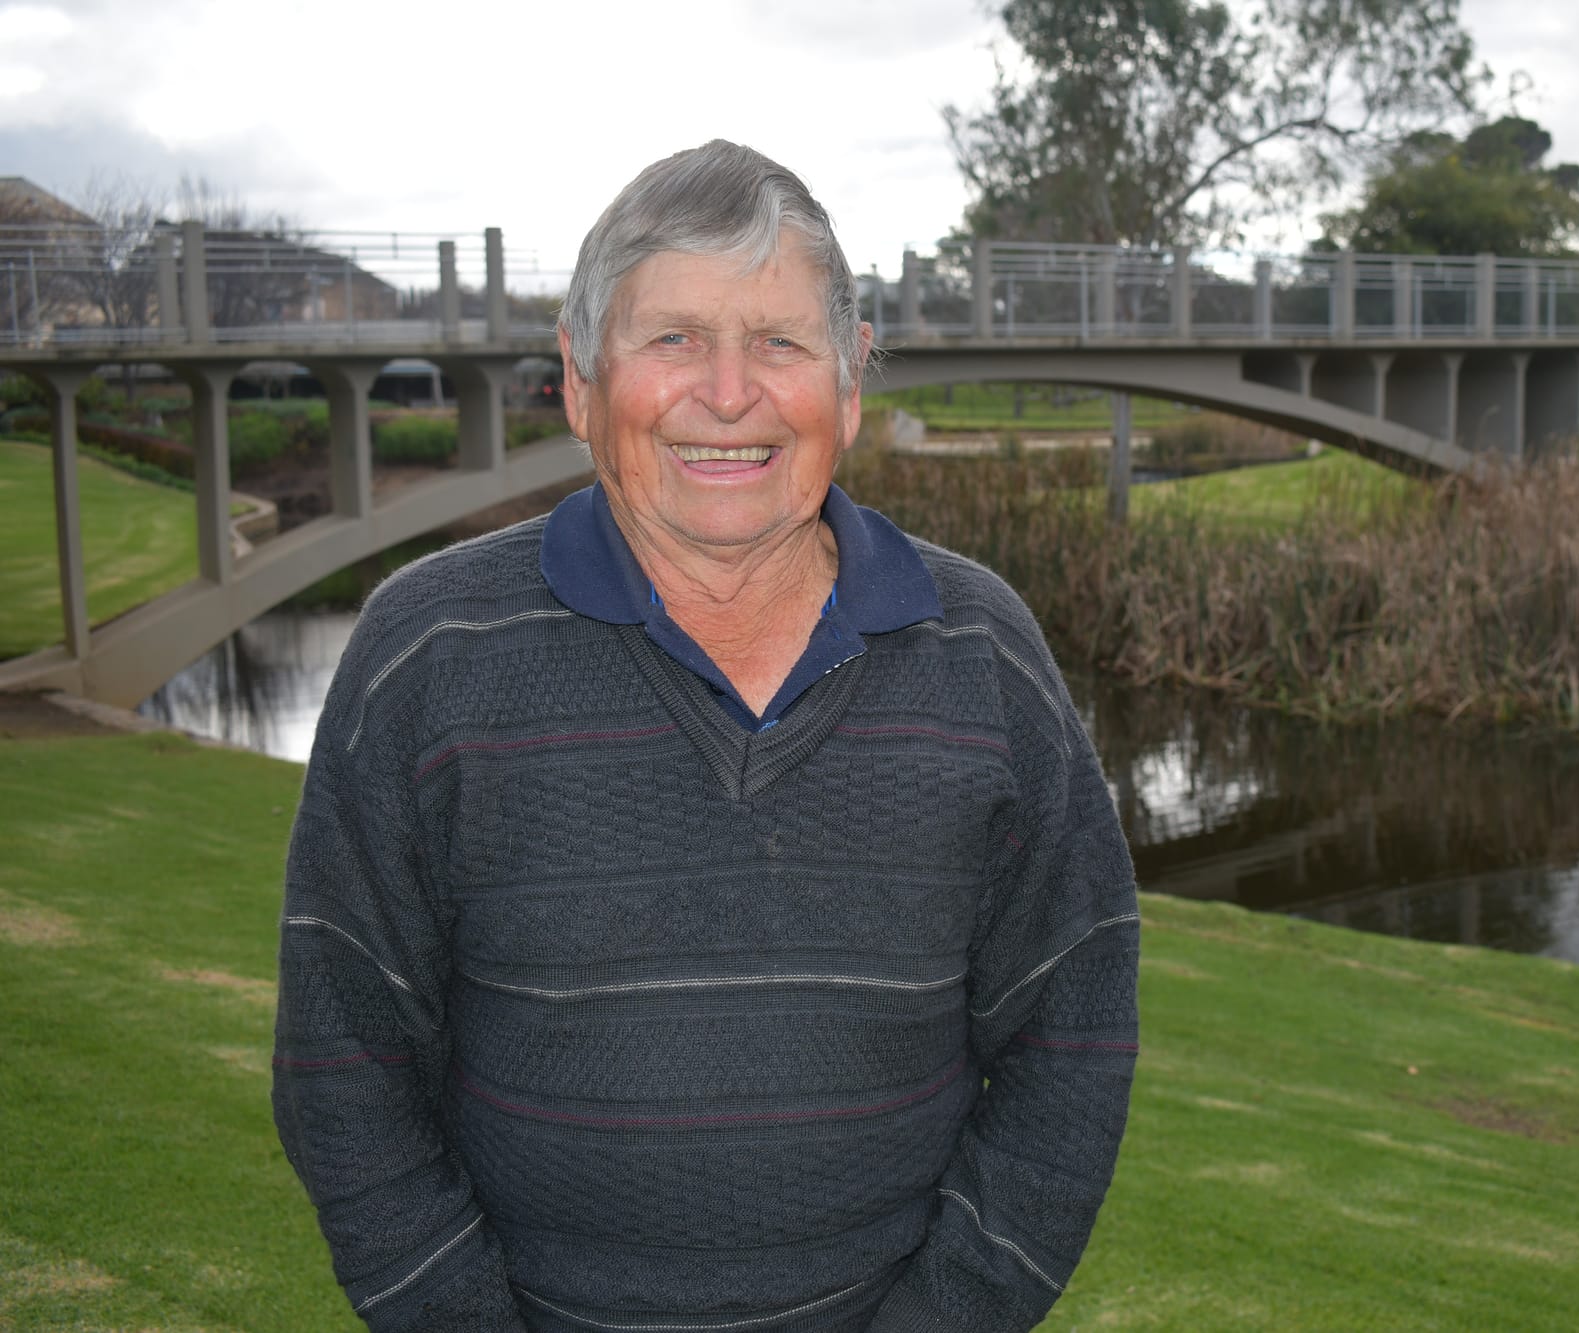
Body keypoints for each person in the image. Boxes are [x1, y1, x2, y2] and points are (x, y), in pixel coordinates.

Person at [271, 140, 1140, 1332]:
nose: (727, 393)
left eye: (778, 342)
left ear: (848, 382)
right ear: (579, 379)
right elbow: (343, 1062)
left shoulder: (980, 651)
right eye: (673, 337)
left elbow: (1071, 1025)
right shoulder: (426, 653)